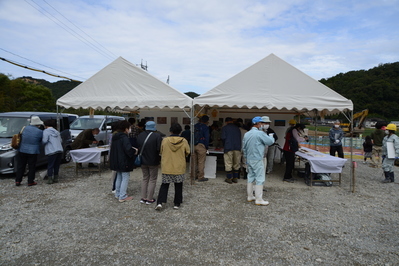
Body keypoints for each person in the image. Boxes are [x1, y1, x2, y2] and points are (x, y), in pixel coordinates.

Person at [155, 123, 190, 210]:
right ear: (180, 131)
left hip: (167, 166)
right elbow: (187, 152)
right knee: (178, 185)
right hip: (179, 166)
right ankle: (176, 203)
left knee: (164, 185)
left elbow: (161, 151)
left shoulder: (165, 140)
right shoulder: (184, 140)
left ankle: (160, 202)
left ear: (170, 131)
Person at [242, 116, 274, 206]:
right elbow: (270, 142)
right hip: (257, 159)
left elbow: (244, 148)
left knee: (250, 177)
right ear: (258, 124)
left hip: (249, 159)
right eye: (262, 123)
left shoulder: (247, 134)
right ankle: (259, 199)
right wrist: (271, 136)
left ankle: (250, 196)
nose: (263, 125)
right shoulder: (260, 134)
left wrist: (245, 158)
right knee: (260, 178)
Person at [109, 120, 138, 202]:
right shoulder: (124, 137)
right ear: (125, 129)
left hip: (116, 160)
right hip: (124, 160)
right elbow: (128, 149)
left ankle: (118, 194)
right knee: (125, 177)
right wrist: (134, 151)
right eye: (129, 128)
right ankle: (122, 196)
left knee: (119, 177)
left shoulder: (115, 136)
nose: (130, 129)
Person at [137, 121, 162, 204]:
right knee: (152, 179)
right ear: (154, 126)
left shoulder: (140, 135)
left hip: (143, 160)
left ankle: (143, 197)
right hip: (153, 160)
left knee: (145, 178)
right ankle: (149, 198)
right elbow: (159, 148)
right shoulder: (157, 136)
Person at [15, 116, 44, 186]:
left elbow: (20, 136)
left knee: (21, 165)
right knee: (32, 166)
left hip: (22, 149)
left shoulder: (24, 128)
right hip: (33, 151)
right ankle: (30, 181)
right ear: (38, 124)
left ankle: (18, 180)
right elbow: (41, 141)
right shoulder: (40, 132)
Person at [42, 119, 63, 184]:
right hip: (59, 149)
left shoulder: (46, 131)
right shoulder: (56, 131)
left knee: (50, 165)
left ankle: (50, 179)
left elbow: (45, 140)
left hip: (51, 150)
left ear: (45, 125)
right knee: (56, 165)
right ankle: (56, 178)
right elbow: (61, 140)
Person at [221, 117, 242, 184]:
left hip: (228, 147)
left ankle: (229, 178)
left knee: (228, 163)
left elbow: (223, 137)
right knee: (236, 163)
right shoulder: (237, 128)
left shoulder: (224, 128)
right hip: (237, 147)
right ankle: (235, 178)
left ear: (226, 122)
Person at [193, 115, 210, 182]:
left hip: (193, 145)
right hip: (201, 145)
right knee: (201, 162)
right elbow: (207, 138)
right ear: (207, 121)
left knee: (194, 162)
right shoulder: (205, 127)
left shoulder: (195, 125)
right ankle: (200, 177)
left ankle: (193, 176)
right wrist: (206, 147)